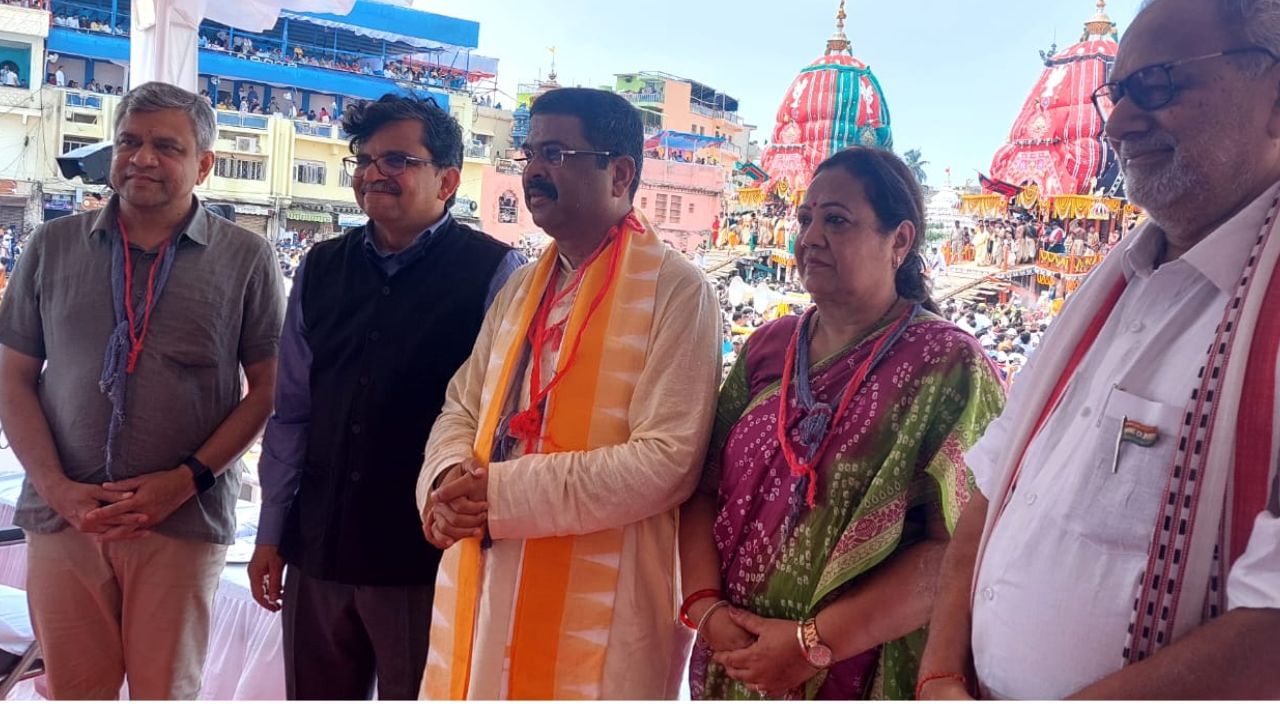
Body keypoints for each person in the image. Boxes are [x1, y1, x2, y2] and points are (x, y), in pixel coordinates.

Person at [919, 0, 1280, 700]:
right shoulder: (1107, 290)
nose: (1117, 124)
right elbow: (988, 492)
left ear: (1273, 99)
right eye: (1115, 94)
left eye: (1159, 86)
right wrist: (937, 676)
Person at [417, 87, 721, 700]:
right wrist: (445, 481)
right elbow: (464, 404)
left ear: (621, 172)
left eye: (555, 152)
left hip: (602, 604)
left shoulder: (677, 291)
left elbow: (668, 462)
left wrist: (500, 495)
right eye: (530, 152)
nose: (532, 170)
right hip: (488, 571)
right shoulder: (522, 285)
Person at [680, 148, 1004, 700]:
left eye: (836, 220)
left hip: (864, 671)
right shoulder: (768, 347)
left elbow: (961, 547)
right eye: (805, 219)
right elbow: (702, 487)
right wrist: (707, 609)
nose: (808, 237)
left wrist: (811, 644)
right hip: (735, 664)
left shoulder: (949, 366)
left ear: (899, 241)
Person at [0, 81, 284, 699]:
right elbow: (12, 376)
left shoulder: (248, 258)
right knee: (76, 695)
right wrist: (57, 490)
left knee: (165, 696)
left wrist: (184, 481)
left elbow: (267, 389)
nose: (143, 158)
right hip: (64, 519)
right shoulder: (51, 245)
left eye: (166, 146)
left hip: (181, 521)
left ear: (204, 164)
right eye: (129, 141)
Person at [250, 94, 524, 701]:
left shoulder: (495, 272)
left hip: (425, 559)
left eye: (398, 159)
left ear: (447, 180)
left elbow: (504, 422)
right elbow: (292, 411)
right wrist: (272, 532)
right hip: (317, 549)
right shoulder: (320, 268)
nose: (374, 172)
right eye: (364, 158)